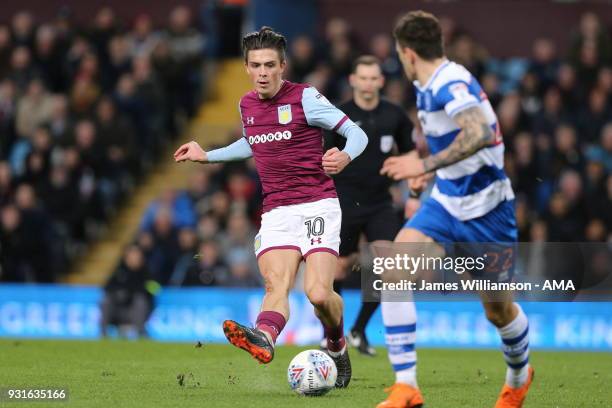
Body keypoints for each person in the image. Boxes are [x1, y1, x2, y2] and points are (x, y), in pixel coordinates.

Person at [174, 26, 368, 388]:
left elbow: (358, 133)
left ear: (282, 66)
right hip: (277, 210)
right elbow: (253, 143)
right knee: (275, 284)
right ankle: (264, 336)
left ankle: (337, 346)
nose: (262, 72)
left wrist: (344, 154)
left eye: (269, 65)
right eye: (255, 65)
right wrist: (207, 156)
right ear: (247, 68)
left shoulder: (306, 98)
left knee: (319, 294)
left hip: (318, 206)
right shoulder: (246, 104)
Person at [376, 11, 533, 408]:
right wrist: (425, 177)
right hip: (446, 201)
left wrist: (422, 165)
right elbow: (453, 142)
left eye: (399, 53)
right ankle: (406, 386)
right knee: (395, 268)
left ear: (408, 53)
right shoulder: (427, 85)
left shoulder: (450, 81)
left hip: (488, 211)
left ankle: (519, 375)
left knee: (498, 312)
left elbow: (479, 132)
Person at [324, 55, 414, 356]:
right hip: (344, 201)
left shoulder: (395, 115)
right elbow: (324, 158)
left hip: (380, 202)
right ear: (353, 80)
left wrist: (413, 194)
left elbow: (411, 156)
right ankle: (335, 336)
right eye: (363, 78)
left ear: (381, 81)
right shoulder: (339, 116)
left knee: (388, 267)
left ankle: (359, 329)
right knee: (338, 270)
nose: (368, 83)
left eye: (373, 78)